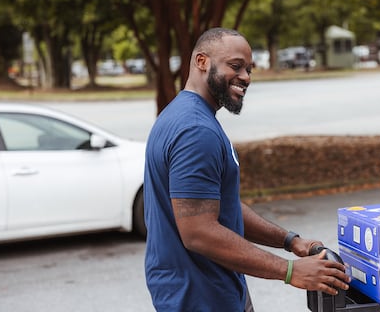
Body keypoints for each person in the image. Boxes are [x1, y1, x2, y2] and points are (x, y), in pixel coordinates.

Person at [143, 27, 350, 311]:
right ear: (202, 62)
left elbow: (217, 206)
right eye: (235, 66)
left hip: (207, 290)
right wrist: (289, 271)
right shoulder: (195, 131)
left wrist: (290, 241)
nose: (246, 77)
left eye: (249, 69)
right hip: (201, 299)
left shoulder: (183, 115)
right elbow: (198, 231)